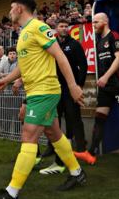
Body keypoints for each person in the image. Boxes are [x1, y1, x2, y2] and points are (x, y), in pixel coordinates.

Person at [0, 0, 86, 199]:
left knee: (29, 135)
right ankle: (77, 173)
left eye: (11, 7)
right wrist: (6, 80)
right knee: (54, 134)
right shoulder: (23, 33)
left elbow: (60, 55)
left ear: (20, 9)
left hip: (45, 91)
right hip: (35, 91)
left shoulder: (39, 27)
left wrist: (73, 85)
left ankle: (11, 192)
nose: (9, 12)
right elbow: (24, 66)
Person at [74, 12, 119, 165]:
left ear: (104, 22)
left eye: (96, 22)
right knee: (99, 119)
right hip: (105, 87)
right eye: (93, 22)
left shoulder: (113, 36)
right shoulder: (99, 41)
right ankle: (91, 153)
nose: (93, 25)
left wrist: (106, 76)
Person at [40, 18, 88, 175]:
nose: (64, 28)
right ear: (56, 28)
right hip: (55, 88)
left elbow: (83, 65)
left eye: (66, 26)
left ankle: (79, 148)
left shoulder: (74, 45)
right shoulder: (52, 44)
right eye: (61, 26)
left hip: (70, 88)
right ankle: (52, 147)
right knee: (54, 118)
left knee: (73, 117)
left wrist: (78, 85)